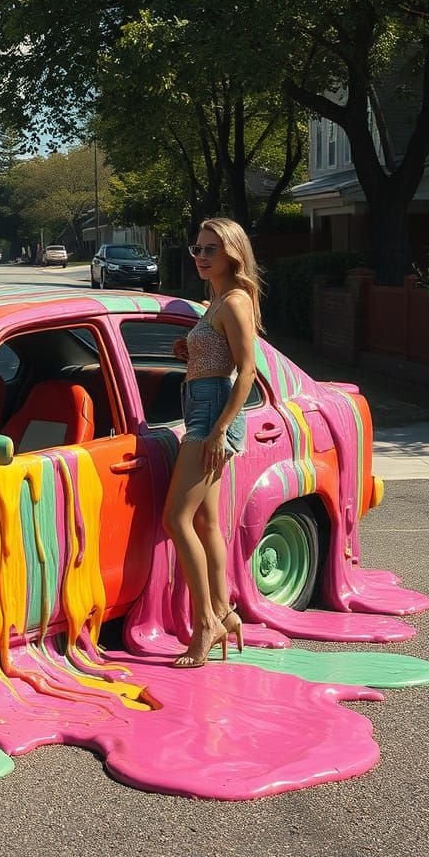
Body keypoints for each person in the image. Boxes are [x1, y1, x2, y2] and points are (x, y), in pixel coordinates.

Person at [163, 217, 262, 668]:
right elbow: (217, 354)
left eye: (210, 250)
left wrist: (222, 428)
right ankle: (225, 613)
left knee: (175, 519)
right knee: (205, 524)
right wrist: (191, 350)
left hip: (212, 413)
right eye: (197, 249)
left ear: (232, 255)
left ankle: (204, 622)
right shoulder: (215, 302)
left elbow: (248, 371)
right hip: (200, 405)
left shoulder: (235, 301)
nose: (201, 257)